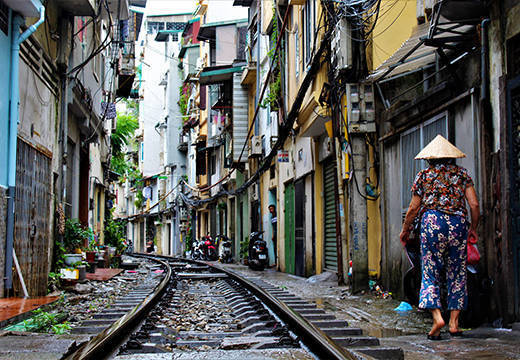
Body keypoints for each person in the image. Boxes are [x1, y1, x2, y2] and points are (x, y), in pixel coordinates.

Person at [400, 135, 480, 340]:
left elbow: (413, 208)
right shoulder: (462, 175)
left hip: (432, 224)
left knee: (430, 270)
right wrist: (473, 228)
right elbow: (474, 205)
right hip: (458, 225)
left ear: (430, 159)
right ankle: (454, 323)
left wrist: (405, 230)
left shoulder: (424, 176)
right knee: (457, 271)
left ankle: (437, 318)